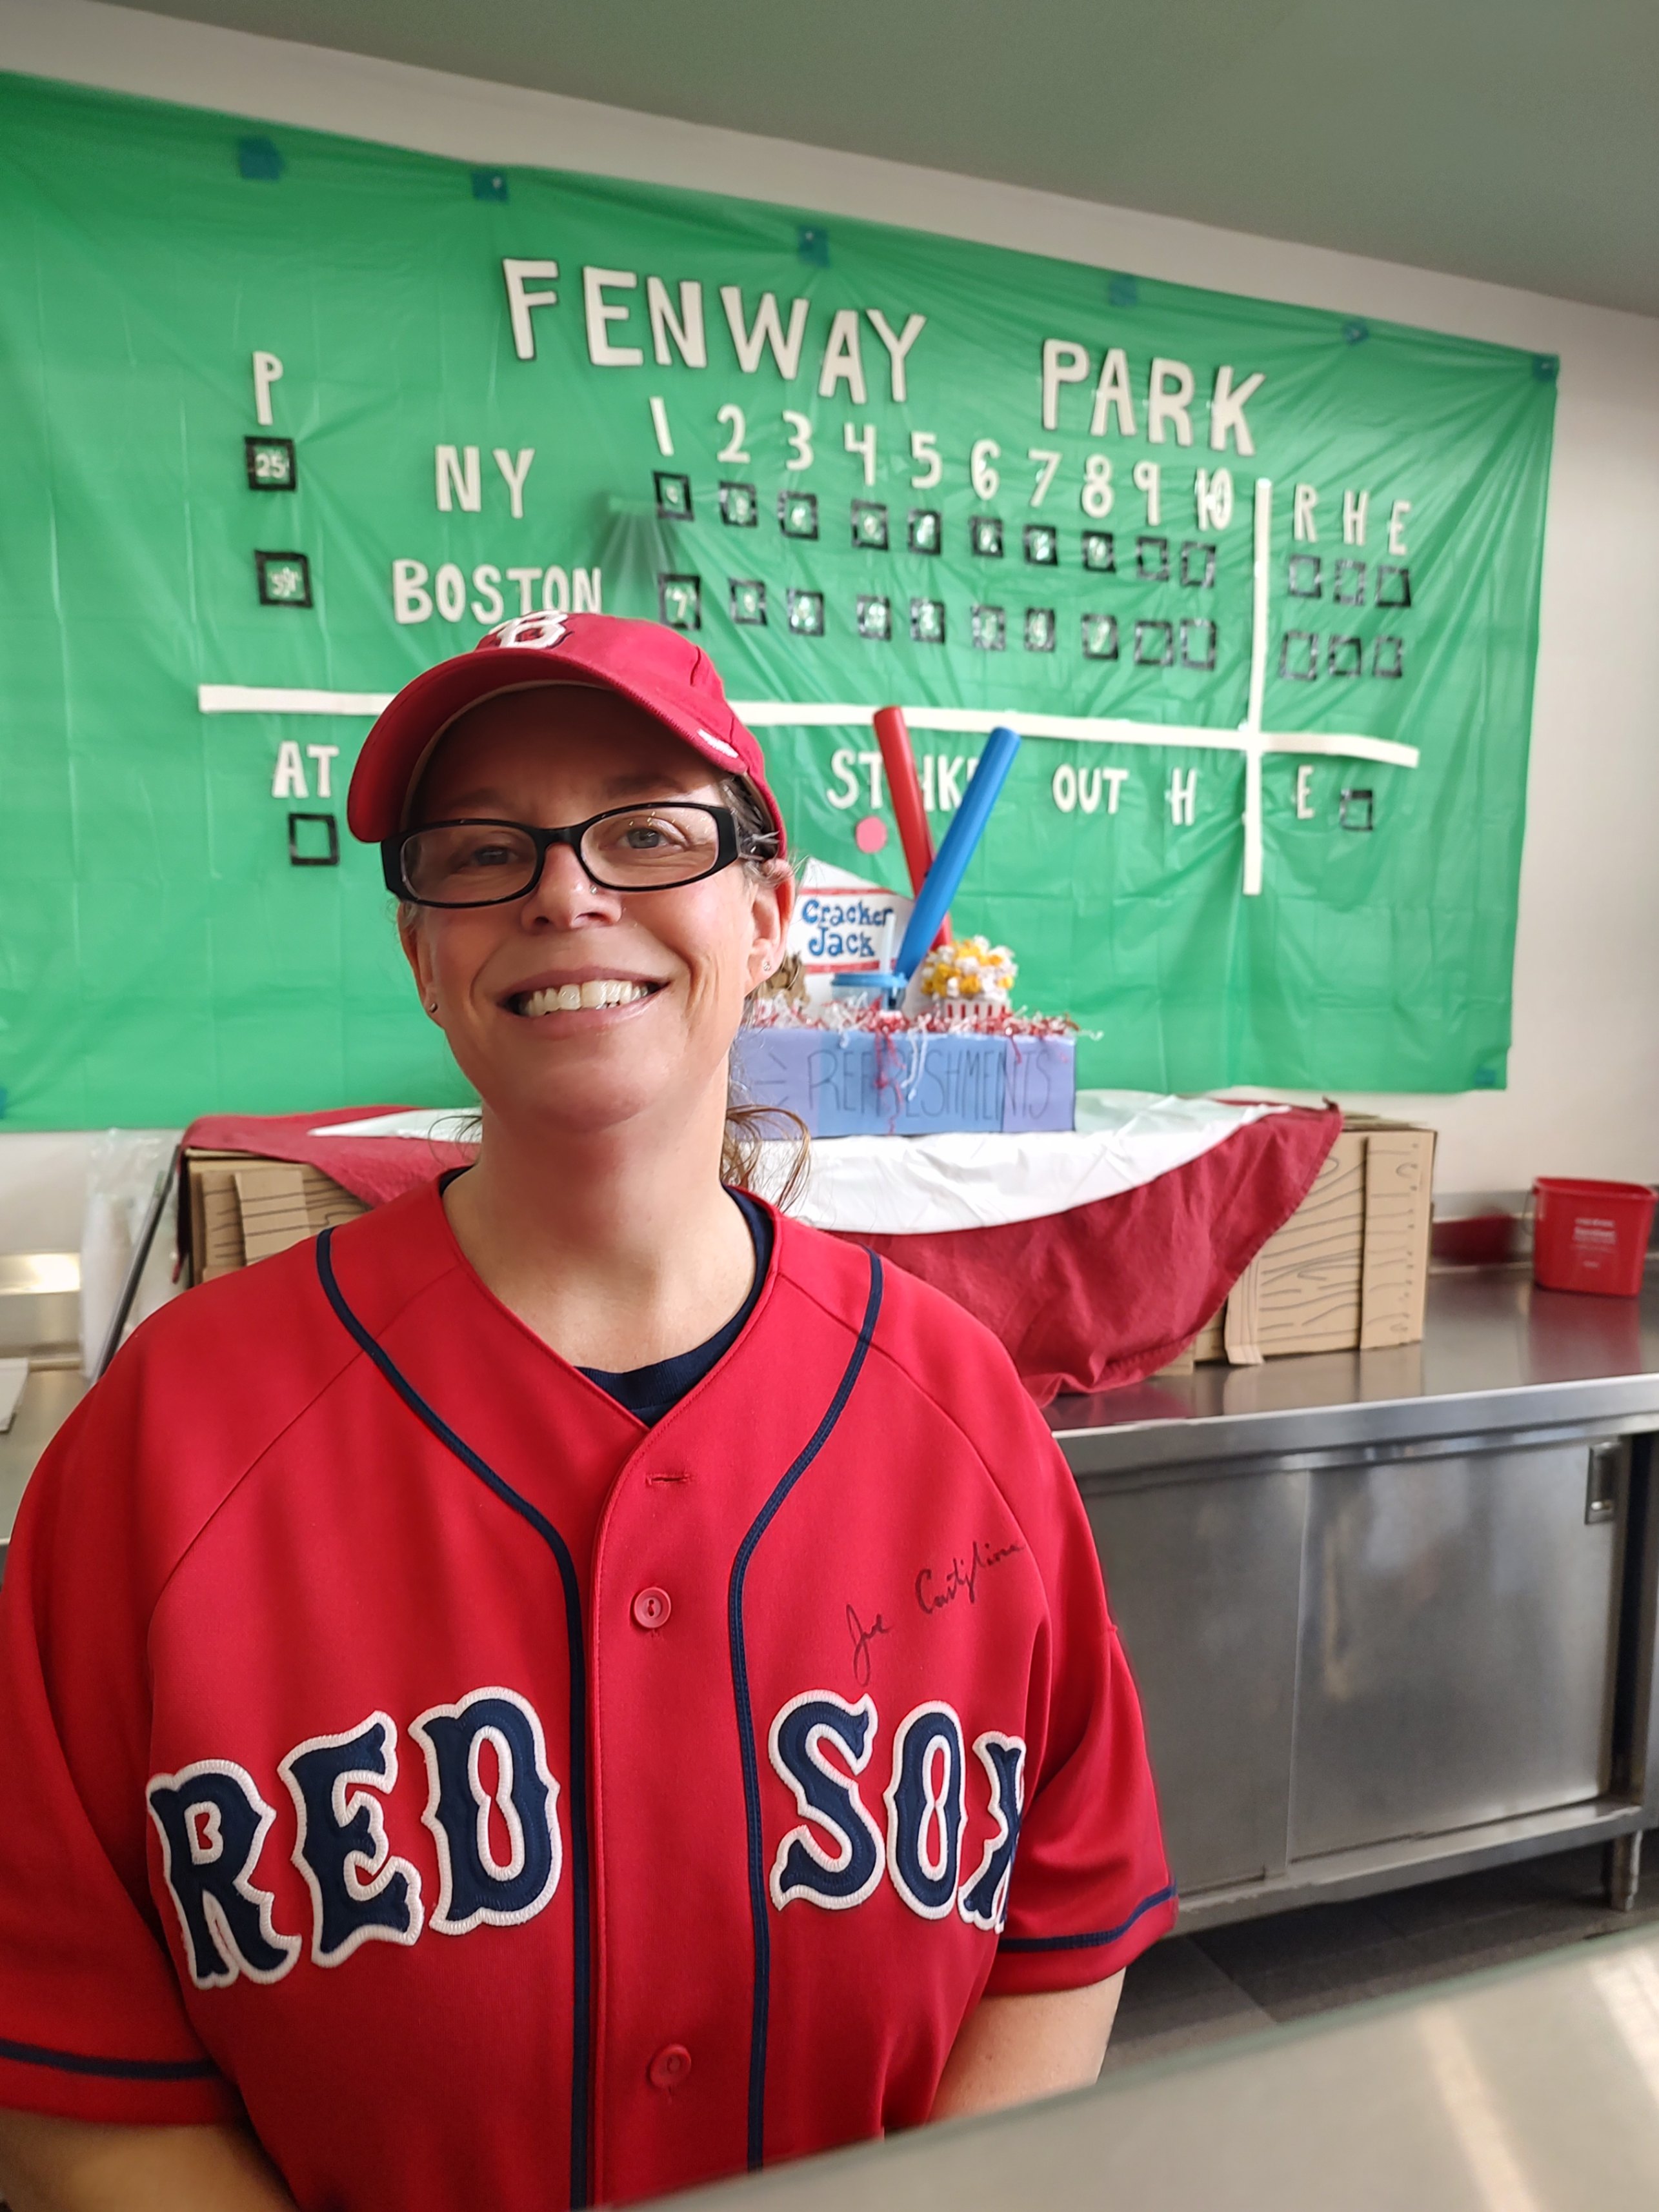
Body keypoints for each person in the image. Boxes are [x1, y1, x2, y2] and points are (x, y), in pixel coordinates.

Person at [0, 612, 1174, 2212]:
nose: (566, 890)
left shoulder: (953, 1404)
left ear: (763, 913)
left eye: (644, 830)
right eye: (482, 853)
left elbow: (1059, 1926)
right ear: (424, 954)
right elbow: (75, 2062)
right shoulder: (173, 1438)